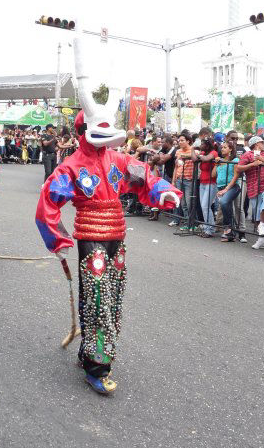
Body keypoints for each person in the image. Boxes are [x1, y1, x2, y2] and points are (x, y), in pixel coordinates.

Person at [35, 29, 181, 396]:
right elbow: (48, 203)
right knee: (99, 297)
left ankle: (92, 355)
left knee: (111, 298)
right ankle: (98, 367)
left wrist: (166, 194)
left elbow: (146, 177)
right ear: (83, 130)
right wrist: (57, 237)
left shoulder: (118, 160)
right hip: (92, 238)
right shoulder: (70, 166)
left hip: (117, 238)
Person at [237, 136, 264, 250]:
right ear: (256, 144)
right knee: (256, 213)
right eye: (262, 142)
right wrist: (251, 164)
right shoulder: (247, 155)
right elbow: (238, 168)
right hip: (253, 186)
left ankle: (262, 225)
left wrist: (262, 160)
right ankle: (261, 239)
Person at [215, 140, 240, 242]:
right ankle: (230, 233)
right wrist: (216, 164)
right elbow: (213, 175)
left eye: (225, 147)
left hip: (232, 187)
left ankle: (228, 228)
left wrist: (226, 189)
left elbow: (235, 176)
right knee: (226, 206)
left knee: (224, 202)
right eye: (222, 147)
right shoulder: (220, 161)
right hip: (221, 187)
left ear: (230, 149)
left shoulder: (235, 160)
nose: (222, 149)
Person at [196, 135, 219, 238]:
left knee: (205, 206)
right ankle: (210, 227)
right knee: (204, 206)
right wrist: (193, 150)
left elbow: (206, 159)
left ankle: (209, 229)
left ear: (207, 145)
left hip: (211, 183)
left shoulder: (213, 153)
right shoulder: (202, 153)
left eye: (202, 144)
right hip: (202, 182)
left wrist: (199, 155)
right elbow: (193, 159)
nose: (201, 146)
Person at [170, 133, 194, 229]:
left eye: (182, 140)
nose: (180, 142)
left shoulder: (192, 150)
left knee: (188, 203)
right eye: (179, 140)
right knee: (182, 202)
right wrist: (173, 180)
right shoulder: (178, 151)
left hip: (189, 179)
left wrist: (183, 156)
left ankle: (190, 223)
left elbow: (196, 154)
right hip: (179, 178)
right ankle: (185, 221)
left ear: (188, 141)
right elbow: (176, 167)